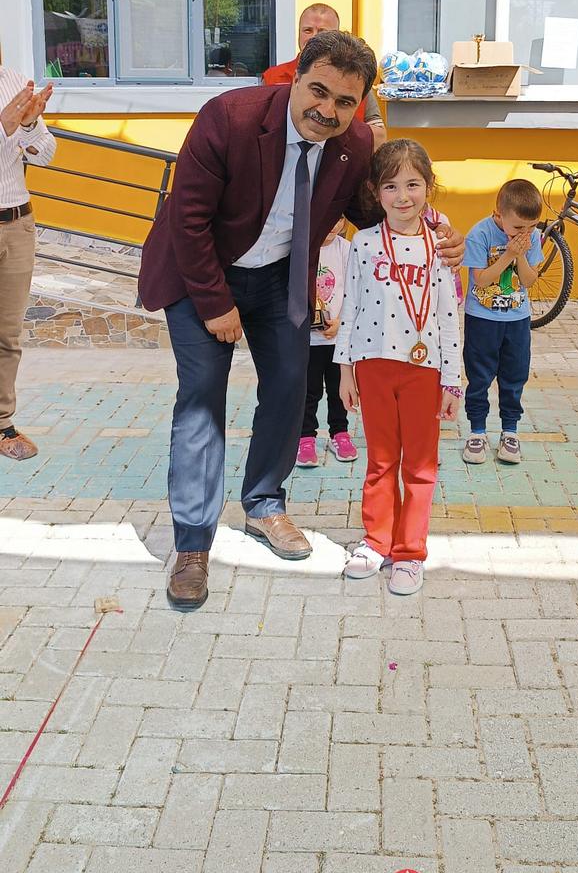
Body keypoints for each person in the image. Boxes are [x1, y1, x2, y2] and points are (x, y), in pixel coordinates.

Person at [138, 31, 465, 609]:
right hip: (200, 272)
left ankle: (264, 503)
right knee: (202, 397)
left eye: (345, 101)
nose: (328, 111)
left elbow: (376, 209)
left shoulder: (353, 143)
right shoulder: (229, 118)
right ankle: (192, 543)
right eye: (318, 91)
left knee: (291, 386)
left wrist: (437, 228)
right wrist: (215, 304)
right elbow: (187, 220)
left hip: (279, 278)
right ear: (295, 77)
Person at [335, 139, 462, 596]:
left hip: (424, 371)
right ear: (375, 191)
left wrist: (453, 381)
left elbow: (448, 316)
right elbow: (349, 307)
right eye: (390, 186)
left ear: (429, 187)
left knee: (421, 466)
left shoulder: (441, 248)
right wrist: (345, 370)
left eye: (413, 184)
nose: (402, 196)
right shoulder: (364, 242)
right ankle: (376, 542)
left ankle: (410, 552)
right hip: (372, 366)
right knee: (381, 460)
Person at [462, 179, 543, 467]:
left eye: (532, 226)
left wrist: (520, 255)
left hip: (517, 319)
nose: (525, 233)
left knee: (514, 375)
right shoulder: (480, 234)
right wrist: (509, 254)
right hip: (482, 319)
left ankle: (510, 431)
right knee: (479, 376)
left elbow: (529, 280)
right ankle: (477, 431)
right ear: (498, 214)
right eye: (519, 227)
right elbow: (481, 280)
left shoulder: (532, 237)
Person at [0, 69, 55, 460]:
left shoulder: (14, 81)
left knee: (8, 336)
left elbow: (47, 154)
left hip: (18, 223)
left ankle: (3, 424)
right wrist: (3, 128)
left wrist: (31, 124)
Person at [262, 2, 386, 148]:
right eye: (307, 30)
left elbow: (379, 136)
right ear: (297, 79)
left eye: (322, 32)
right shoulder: (273, 76)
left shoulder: (356, 82)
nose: (313, 37)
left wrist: (334, 137)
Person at [296, 216, 357, 468]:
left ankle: (339, 433)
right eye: (328, 216)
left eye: (339, 218)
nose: (333, 224)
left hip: (337, 340)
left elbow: (355, 291)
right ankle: (305, 437)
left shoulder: (347, 249)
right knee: (308, 391)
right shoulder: (301, 246)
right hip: (307, 340)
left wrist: (341, 322)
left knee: (338, 389)